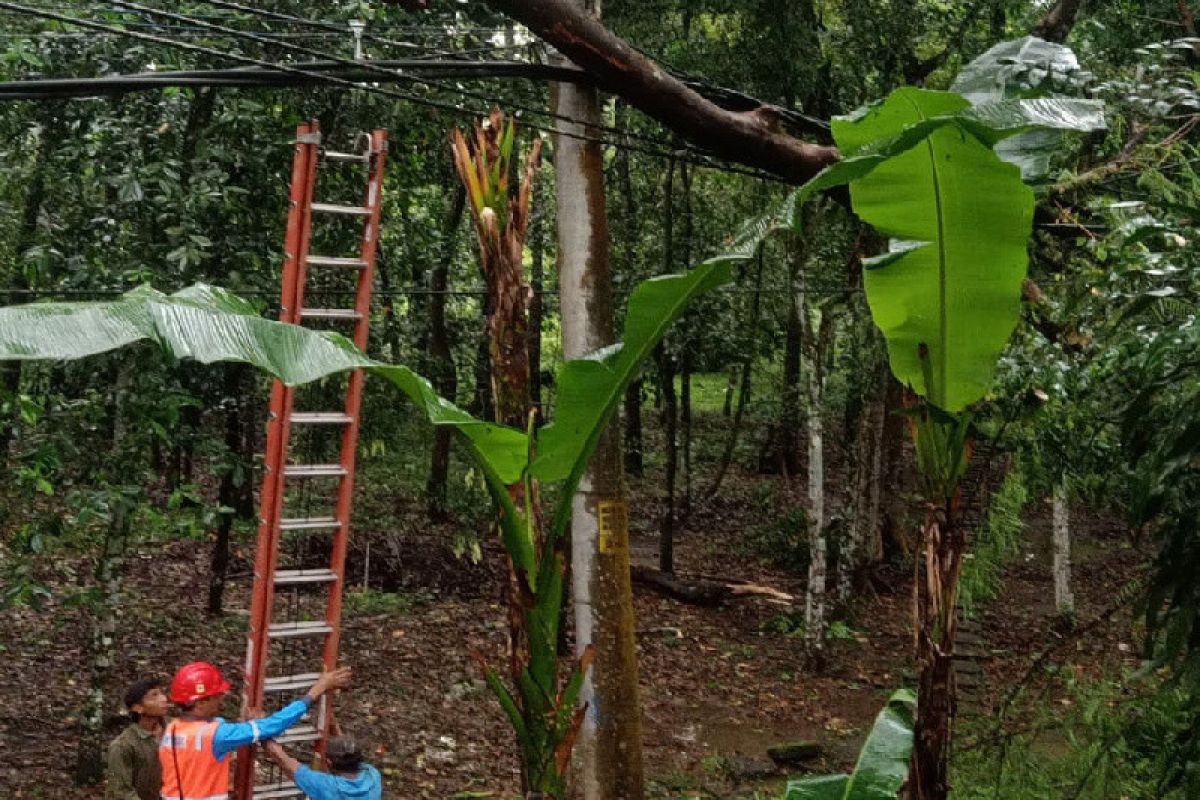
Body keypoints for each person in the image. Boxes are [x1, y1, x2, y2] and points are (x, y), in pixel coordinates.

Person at [160, 661, 352, 800]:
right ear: (200, 702)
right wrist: (316, 691)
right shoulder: (215, 734)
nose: (222, 699)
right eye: (216, 696)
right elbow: (274, 725)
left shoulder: (172, 729)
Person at [261, 735, 381, 800]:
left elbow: (286, 762)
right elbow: (348, 752)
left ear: (328, 763)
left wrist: (259, 730)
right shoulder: (373, 776)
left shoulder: (328, 787)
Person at [107, 678, 170, 800]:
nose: (163, 699)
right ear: (138, 708)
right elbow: (121, 791)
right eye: (154, 695)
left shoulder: (177, 730)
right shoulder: (123, 746)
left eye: (161, 693)